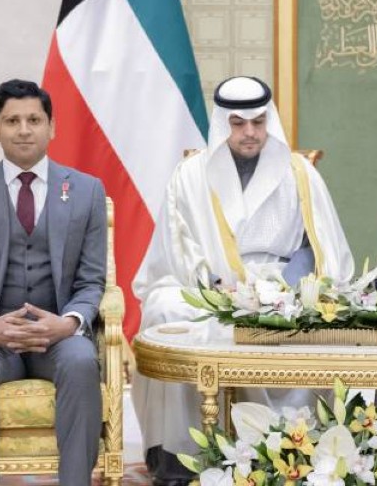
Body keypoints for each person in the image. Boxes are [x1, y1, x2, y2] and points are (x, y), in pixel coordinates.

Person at [132, 76, 355, 486]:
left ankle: (290, 451)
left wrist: (284, 290)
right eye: (238, 123)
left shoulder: (300, 174)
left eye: (258, 122)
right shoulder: (190, 175)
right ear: (223, 124)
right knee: (164, 310)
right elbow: (176, 246)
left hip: (283, 289)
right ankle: (181, 454)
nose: (249, 132)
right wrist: (217, 286)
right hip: (210, 288)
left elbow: (321, 248)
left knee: (315, 318)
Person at [0, 79, 107, 486]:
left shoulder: (86, 191)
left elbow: (92, 280)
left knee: (82, 361)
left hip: (59, 337)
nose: (24, 130)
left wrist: (68, 323)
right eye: (12, 121)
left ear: (52, 127)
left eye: (34, 119)